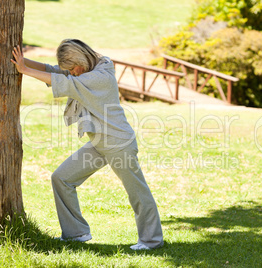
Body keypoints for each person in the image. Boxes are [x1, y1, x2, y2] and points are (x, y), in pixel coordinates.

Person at [11, 39, 163, 250]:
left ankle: (151, 240)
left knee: (137, 192)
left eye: (73, 68)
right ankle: (76, 233)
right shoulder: (86, 70)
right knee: (61, 178)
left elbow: (64, 82)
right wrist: (20, 60)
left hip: (118, 143)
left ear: (81, 60)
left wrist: (24, 70)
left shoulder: (99, 77)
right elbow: (53, 71)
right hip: (100, 143)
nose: (72, 73)